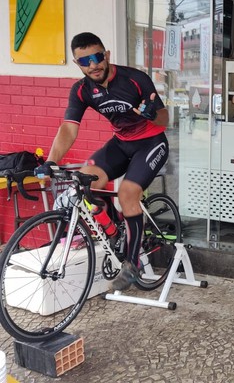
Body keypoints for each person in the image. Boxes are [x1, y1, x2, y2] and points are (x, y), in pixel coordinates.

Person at [35, 32, 170, 291]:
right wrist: (51, 161)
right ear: (77, 64)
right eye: (84, 61)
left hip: (152, 142)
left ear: (106, 55)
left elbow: (164, 119)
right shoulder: (82, 90)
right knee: (82, 181)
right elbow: (69, 127)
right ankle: (114, 230)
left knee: (128, 193)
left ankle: (132, 264)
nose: (93, 65)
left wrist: (153, 115)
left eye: (97, 57)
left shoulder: (134, 79)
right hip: (120, 144)